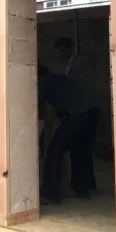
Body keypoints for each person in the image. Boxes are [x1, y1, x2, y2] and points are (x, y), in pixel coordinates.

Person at [38, 64, 100, 203]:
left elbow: (40, 118)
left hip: (80, 114)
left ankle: (50, 194)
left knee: (55, 150)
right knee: (79, 148)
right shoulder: (59, 79)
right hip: (93, 113)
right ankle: (82, 188)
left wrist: (36, 143)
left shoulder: (42, 82)